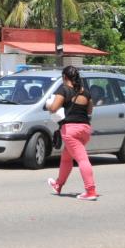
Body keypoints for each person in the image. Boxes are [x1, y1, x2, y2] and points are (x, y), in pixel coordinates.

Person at [45, 65, 98, 201]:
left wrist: (48, 105)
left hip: (70, 130)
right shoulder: (85, 92)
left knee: (82, 159)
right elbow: (90, 110)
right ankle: (58, 184)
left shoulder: (63, 89)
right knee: (66, 158)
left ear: (64, 77)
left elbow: (54, 108)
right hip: (85, 129)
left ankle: (90, 190)